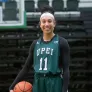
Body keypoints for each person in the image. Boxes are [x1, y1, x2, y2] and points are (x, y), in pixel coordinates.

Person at [9, 5, 70, 92]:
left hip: (55, 82)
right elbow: (26, 67)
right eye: (44, 22)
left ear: (54, 23)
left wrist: (64, 89)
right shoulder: (35, 44)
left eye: (49, 21)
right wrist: (12, 86)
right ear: (40, 24)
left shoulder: (62, 42)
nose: (46, 24)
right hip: (38, 82)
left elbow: (66, 69)